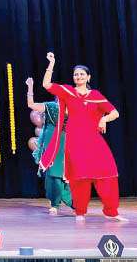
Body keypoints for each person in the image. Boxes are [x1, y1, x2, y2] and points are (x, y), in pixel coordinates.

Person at [41, 53, 124, 222]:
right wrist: (52, 63)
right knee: (79, 176)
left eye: (81, 74)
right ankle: (80, 211)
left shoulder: (95, 95)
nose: (78, 76)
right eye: (76, 74)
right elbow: (46, 84)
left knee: (107, 172)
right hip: (75, 140)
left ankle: (111, 211)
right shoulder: (68, 92)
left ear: (88, 77)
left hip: (93, 140)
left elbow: (114, 112)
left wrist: (103, 119)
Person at [26, 76, 72, 215]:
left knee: (64, 173)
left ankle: (71, 201)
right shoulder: (52, 106)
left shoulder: (74, 109)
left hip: (67, 141)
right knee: (53, 173)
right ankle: (55, 203)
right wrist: (30, 88)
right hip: (51, 140)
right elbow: (31, 104)